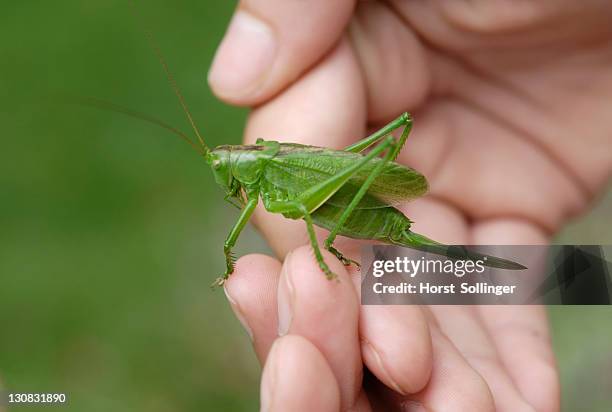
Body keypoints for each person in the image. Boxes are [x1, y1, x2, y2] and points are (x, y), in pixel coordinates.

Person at [207, 1, 612, 410]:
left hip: (341, 200)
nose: (223, 173)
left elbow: (297, 211)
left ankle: (581, 275)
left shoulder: (265, 166)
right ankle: (583, 275)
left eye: (222, 165)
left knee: (327, 202)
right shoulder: (257, 169)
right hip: (335, 195)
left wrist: (315, 249)